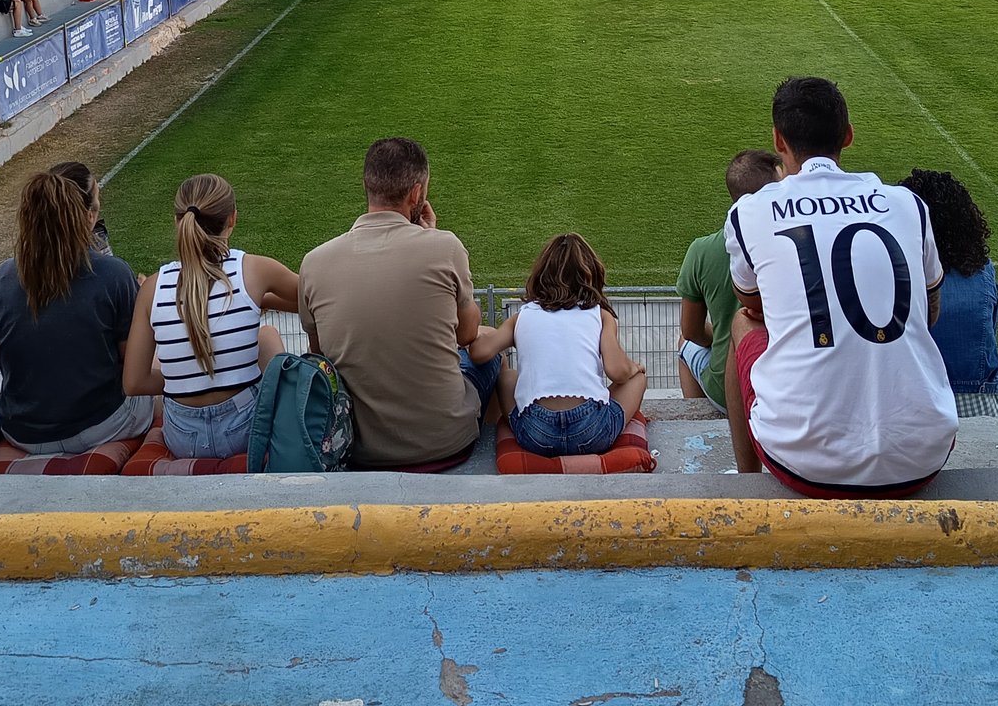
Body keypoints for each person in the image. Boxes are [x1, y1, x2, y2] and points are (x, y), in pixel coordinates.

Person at [724, 76, 958, 497]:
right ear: (848, 136)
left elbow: (750, 300)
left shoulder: (750, 211)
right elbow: (930, 310)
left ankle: (747, 484)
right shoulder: (909, 204)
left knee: (741, 323)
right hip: (924, 454)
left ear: (779, 140)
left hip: (805, 464)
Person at [297, 138, 499, 468]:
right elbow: (467, 333)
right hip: (446, 443)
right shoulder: (445, 247)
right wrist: (432, 237)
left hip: (361, 449)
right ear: (416, 194)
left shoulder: (314, 262)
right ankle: (487, 458)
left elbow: (322, 356)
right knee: (491, 350)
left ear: (368, 186)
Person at [123, 173, 296, 460]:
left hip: (182, 437)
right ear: (233, 219)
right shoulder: (254, 270)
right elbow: (312, 297)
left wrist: (187, 376)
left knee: (158, 355)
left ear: (178, 220)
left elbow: (133, 383)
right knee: (266, 336)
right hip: (246, 429)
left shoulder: (153, 288)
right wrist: (256, 301)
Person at [0, 172, 153, 456]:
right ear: (83, 217)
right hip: (101, 426)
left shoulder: (2, 277)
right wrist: (144, 303)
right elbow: (132, 369)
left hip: (21, 431)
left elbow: (3, 357)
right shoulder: (113, 275)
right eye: (96, 207)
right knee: (156, 376)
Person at [468, 234, 646, 458]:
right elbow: (618, 372)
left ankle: (495, 427)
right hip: (591, 432)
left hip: (536, 435)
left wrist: (481, 331)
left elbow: (479, 352)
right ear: (593, 276)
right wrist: (635, 368)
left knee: (506, 375)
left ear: (541, 275)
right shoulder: (600, 316)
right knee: (637, 379)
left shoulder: (523, 316)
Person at [677, 149, 779, 414]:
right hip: (781, 386)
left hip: (730, 388)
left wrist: (719, 336)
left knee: (683, 344)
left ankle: (697, 419)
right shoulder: (798, 244)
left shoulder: (701, 250)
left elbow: (691, 332)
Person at [903, 169, 998, 416]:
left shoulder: (901, 275)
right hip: (981, 397)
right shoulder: (983, 271)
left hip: (921, 397)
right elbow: (991, 326)